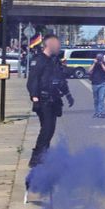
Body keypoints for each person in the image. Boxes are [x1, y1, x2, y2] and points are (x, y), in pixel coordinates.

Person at [26, 35, 73, 167]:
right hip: (43, 100)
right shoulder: (39, 60)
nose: (58, 47)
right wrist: (35, 98)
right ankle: (36, 159)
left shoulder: (54, 60)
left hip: (54, 100)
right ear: (48, 45)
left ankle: (43, 156)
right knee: (46, 129)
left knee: (50, 129)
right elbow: (32, 81)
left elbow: (60, 79)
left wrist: (68, 94)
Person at [89, 52, 105, 118]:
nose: (98, 59)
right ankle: (96, 112)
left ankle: (100, 112)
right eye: (98, 58)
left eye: (100, 58)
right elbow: (89, 71)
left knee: (101, 99)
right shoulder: (94, 64)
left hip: (102, 83)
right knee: (96, 99)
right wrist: (94, 63)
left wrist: (101, 64)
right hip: (94, 83)